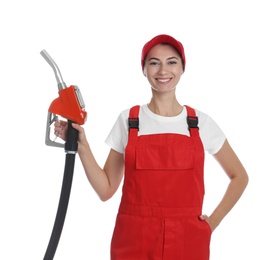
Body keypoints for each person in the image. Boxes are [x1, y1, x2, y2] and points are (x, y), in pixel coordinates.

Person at [54, 34, 249, 260]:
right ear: (144, 69)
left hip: (187, 241)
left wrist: (212, 223)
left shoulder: (200, 123)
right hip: (134, 240)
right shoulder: (129, 120)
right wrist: (82, 146)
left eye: (172, 62)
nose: (163, 70)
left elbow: (240, 176)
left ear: (183, 68)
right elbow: (106, 190)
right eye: (154, 62)